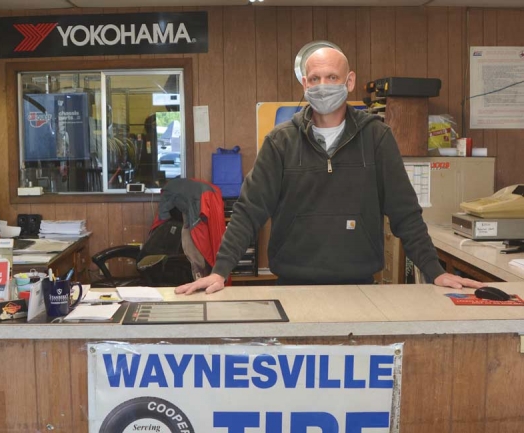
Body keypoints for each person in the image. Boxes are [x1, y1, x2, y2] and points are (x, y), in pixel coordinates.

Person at [176, 44, 485, 295]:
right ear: (304, 84)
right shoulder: (280, 142)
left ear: (349, 81)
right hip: (292, 287)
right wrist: (220, 272)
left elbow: (405, 212)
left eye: (332, 78)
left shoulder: (376, 137)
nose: (322, 86)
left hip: (361, 287)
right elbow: (248, 211)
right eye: (315, 79)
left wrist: (434, 272)